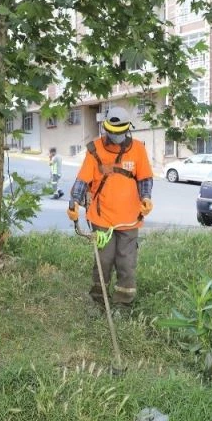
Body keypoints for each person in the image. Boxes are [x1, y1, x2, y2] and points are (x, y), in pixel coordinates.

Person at [67, 106, 153, 305]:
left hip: (130, 219)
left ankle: (123, 303)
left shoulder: (138, 149)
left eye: (120, 132)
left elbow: (145, 179)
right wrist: (75, 204)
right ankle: (98, 301)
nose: (116, 136)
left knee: (127, 263)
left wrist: (146, 198)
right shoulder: (94, 150)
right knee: (103, 261)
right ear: (105, 129)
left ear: (127, 129)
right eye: (112, 132)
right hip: (102, 219)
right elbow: (82, 181)